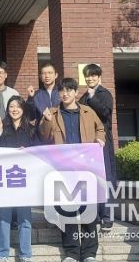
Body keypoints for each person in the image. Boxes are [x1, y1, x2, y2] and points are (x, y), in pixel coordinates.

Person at [38, 78, 105, 262]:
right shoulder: (52, 113)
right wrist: (46, 121)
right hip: (63, 169)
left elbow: (100, 129)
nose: (65, 93)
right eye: (62, 91)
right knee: (67, 211)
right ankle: (71, 252)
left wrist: (100, 139)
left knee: (89, 209)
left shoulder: (88, 112)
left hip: (87, 168)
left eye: (69, 90)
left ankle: (89, 252)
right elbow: (43, 138)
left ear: (76, 92)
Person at [0, 96, 35, 262]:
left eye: (18, 106)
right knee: (3, 218)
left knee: (25, 218)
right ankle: (2, 254)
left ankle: (25, 254)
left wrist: (27, 151)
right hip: (5, 179)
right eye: (11, 106)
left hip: (24, 179)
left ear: (23, 109)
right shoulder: (1, 126)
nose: (14, 109)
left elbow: (38, 151)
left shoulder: (30, 129)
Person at [78, 63, 116, 231]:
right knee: (92, 179)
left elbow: (105, 113)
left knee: (105, 178)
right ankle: (96, 215)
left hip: (102, 143)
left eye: (93, 75)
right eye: (87, 75)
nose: (90, 78)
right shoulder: (83, 97)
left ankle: (107, 217)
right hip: (88, 145)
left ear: (99, 77)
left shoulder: (104, 94)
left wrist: (93, 97)